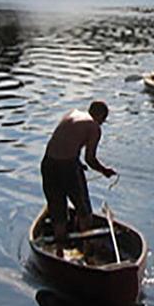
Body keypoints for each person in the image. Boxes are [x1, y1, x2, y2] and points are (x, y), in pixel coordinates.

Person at [41, 101, 116, 254]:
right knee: (83, 209)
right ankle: (87, 250)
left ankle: (59, 252)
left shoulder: (72, 113)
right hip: (67, 167)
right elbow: (90, 159)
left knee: (57, 209)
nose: (102, 123)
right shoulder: (94, 127)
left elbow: (64, 144)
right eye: (103, 119)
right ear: (100, 115)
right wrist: (104, 171)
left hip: (48, 163)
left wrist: (77, 162)